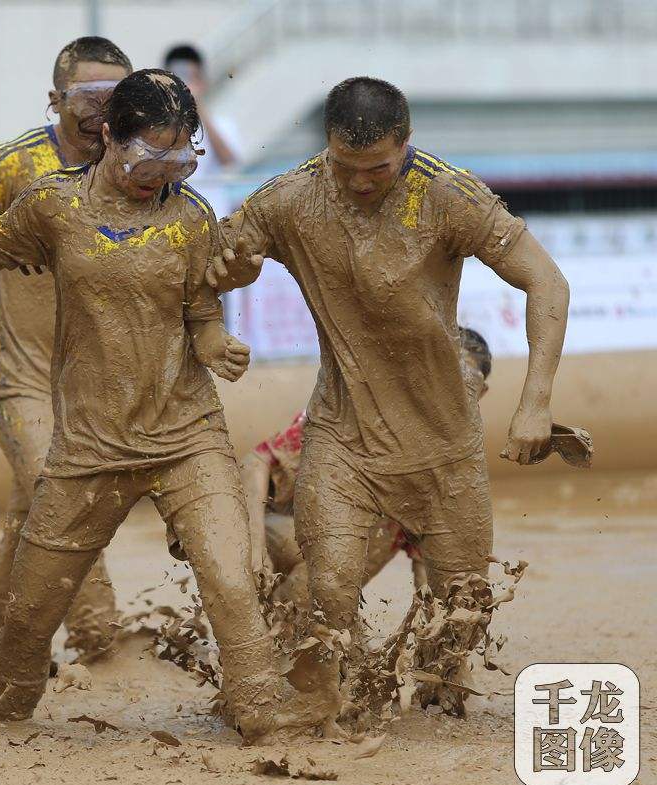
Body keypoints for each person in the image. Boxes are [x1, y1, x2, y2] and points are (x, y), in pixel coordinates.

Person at [0, 69, 306, 741]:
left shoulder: (191, 217)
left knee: (229, 580)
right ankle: (3, 725)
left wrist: (216, 340)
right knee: (30, 614)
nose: (157, 174)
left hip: (186, 434)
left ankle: (262, 717)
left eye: (176, 159)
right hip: (87, 449)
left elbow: (200, 310)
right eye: (145, 158)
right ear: (108, 135)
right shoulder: (54, 205)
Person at [211, 77, 570, 722]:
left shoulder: (448, 195)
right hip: (343, 437)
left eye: (378, 168)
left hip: (444, 446)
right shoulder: (290, 197)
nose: (361, 184)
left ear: (406, 145)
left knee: (459, 618)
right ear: (327, 149)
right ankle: (336, 700)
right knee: (329, 587)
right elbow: (223, 259)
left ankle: (430, 698)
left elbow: (547, 281)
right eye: (346, 169)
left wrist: (534, 401)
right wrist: (225, 276)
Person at [0, 36, 132, 667]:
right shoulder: (9, 167)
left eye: (118, 98)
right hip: (16, 380)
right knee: (64, 499)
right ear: (57, 100)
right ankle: (102, 644)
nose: (106, 112)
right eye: (92, 97)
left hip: (94, 390)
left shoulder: (139, 170)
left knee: (30, 521)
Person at [233, 329, 494, 615]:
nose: (446, 394)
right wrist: (256, 548)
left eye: (461, 384)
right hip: (278, 532)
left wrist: (439, 632)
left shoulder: (449, 466)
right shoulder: (366, 413)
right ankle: (283, 623)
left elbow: (432, 573)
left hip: (331, 571)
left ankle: (298, 624)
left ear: (479, 393)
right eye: (442, 378)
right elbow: (255, 462)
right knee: (341, 555)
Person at [162, 44, 241, 214]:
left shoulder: (223, 124)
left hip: (213, 215)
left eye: (191, 77)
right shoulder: (156, 126)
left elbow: (229, 161)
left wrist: (199, 108)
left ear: (202, 82)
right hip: (172, 219)